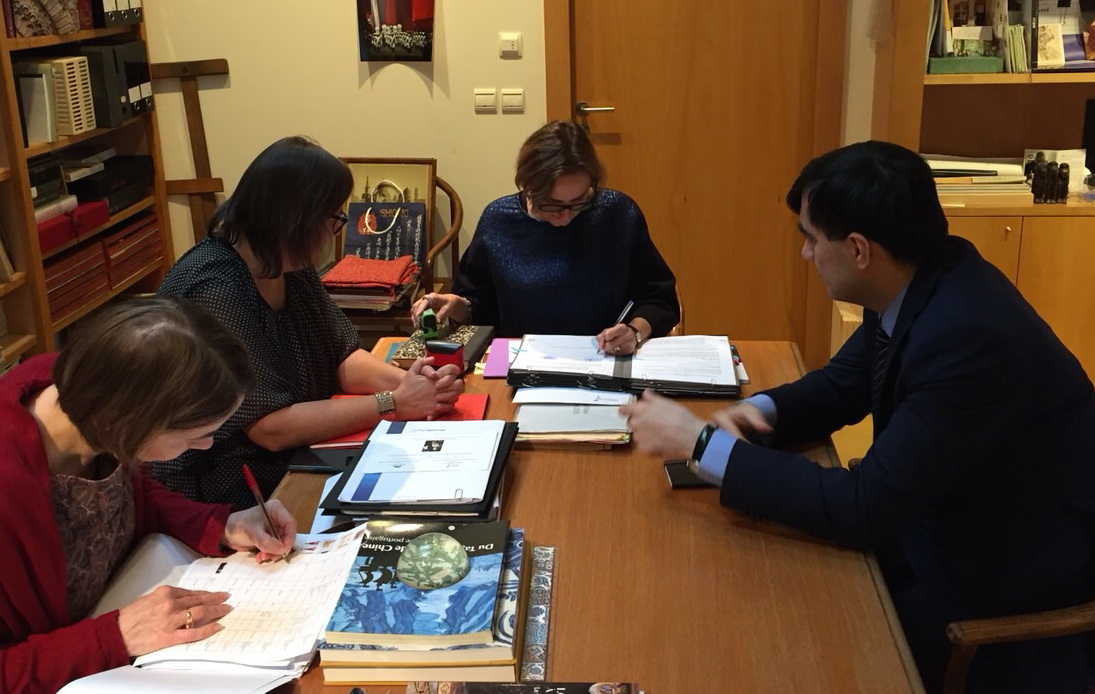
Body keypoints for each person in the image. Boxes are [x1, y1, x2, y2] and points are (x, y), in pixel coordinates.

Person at [621, 141, 1095, 694]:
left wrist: (700, 444)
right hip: (943, 520)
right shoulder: (924, 274)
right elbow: (844, 383)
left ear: (859, 249)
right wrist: (754, 411)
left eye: (811, 239)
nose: (806, 254)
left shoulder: (967, 335)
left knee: (787, 643)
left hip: (1010, 585)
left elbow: (865, 508)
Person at [0, 296, 297, 693]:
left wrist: (223, 525)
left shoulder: (91, 394)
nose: (207, 446)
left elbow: (125, 502)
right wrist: (114, 636)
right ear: (129, 423)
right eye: (194, 436)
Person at [157, 135, 463, 508]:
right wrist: (394, 402)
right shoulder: (215, 288)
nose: (337, 231)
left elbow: (341, 357)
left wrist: (420, 386)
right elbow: (269, 428)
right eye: (334, 219)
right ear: (295, 219)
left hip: (293, 454)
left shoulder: (286, 262)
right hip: (225, 484)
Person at [410, 120, 679, 354]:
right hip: (518, 363)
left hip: (605, 360)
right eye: (550, 204)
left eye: (579, 202)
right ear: (528, 186)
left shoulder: (617, 214)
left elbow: (659, 298)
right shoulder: (499, 220)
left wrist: (634, 332)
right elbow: (479, 307)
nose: (565, 216)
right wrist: (456, 305)